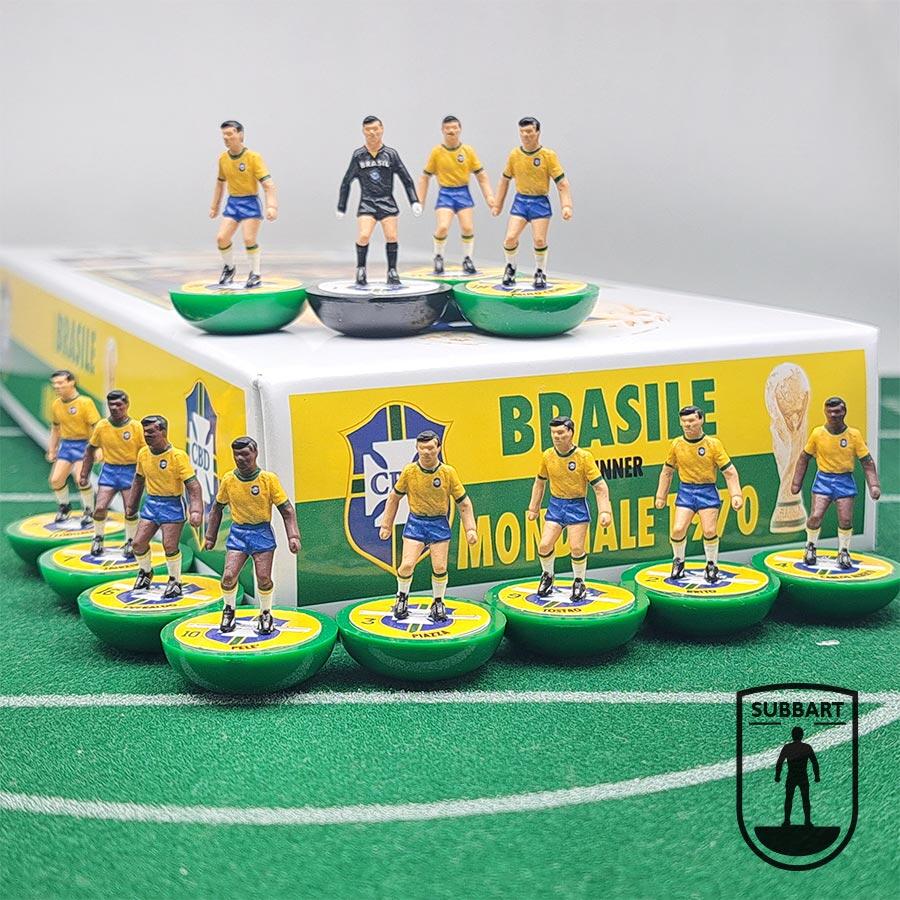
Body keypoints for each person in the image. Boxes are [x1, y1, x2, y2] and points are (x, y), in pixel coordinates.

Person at [204, 436, 301, 635]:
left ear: (255, 453)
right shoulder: (229, 480)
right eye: (236, 455)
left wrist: (293, 536)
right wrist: (210, 536)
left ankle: (265, 613)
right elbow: (216, 508)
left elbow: (287, 509)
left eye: (245, 454)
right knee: (228, 576)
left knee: (263, 578)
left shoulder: (268, 479)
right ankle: (229, 610)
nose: (240, 459)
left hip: (261, 533)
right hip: (238, 534)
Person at [378, 430, 477, 622]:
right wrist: (386, 525)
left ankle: (438, 601)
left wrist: (470, 529)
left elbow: (464, 503)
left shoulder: (448, 473)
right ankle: (401, 597)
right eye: (422, 448)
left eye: (430, 448)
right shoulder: (410, 472)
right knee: (407, 564)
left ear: (438, 448)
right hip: (416, 523)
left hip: (438, 523)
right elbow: (393, 498)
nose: (426, 452)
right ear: (416, 448)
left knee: (440, 566)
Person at [526, 416, 612, 600]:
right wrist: (534, 507)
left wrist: (605, 511)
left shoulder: (583, 457)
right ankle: (548, 575)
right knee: (544, 545)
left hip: (576, 506)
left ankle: (579, 580)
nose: (556, 437)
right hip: (556, 505)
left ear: (571, 433)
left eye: (561, 432)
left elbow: (600, 486)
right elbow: (539, 483)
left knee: (576, 548)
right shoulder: (548, 456)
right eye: (553, 433)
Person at [654, 406, 743, 582]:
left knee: (709, 530)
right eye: (684, 421)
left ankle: (712, 564)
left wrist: (736, 494)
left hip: (707, 491)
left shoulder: (713, 444)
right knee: (678, 529)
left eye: (691, 420)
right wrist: (660, 496)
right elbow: (667, 471)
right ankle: (678, 561)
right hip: (686, 491)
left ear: (701, 420)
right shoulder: (677, 445)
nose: (687, 424)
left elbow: (729, 472)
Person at [791, 396, 881, 568]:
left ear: (844, 412)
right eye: (830, 412)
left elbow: (867, 461)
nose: (833, 415)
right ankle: (810, 545)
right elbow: (804, 457)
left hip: (844, 481)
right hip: (823, 480)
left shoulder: (854, 435)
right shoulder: (818, 433)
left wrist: (874, 485)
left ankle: (844, 551)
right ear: (825, 412)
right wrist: (796, 482)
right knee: (815, 516)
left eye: (837, 411)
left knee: (846, 520)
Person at [337, 116, 422, 286]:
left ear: (382, 129)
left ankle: (392, 270)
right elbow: (346, 181)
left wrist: (414, 201)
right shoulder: (358, 155)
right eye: (368, 130)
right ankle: (361, 269)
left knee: (391, 236)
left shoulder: (391, 154)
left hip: (387, 202)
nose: (372, 133)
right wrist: (341, 206)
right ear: (363, 131)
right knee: (363, 235)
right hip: (367, 203)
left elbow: (406, 179)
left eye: (375, 129)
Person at [491, 117, 572, 289]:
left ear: (538, 132)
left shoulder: (548, 156)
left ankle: (540, 271)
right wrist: (498, 204)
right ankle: (511, 267)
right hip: (520, 201)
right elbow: (504, 180)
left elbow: (562, 183)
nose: (525, 135)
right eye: (522, 132)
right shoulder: (514, 155)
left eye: (529, 131)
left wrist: (566, 205)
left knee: (539, 240)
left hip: (539, 202)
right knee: (510, 238)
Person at [125, 415, 202, 598]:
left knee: (169, 545)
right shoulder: (143, 454)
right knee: (138, 543)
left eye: (151, 432)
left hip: (171, 505)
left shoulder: (177, 456)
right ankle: (145, 572)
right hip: (152, 504)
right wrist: (132, 504)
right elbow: (138, 480)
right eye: (145, 432)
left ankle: (175, 581)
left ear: (163, 432)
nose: (147, 436)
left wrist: (196, 510)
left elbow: (193, 485)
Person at [417, 115, 495, 275]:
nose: (451, 131)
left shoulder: (468, 151)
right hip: (446, 193)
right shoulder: (437, 152)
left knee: (467, 227)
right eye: (447, 128)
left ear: (460, 129)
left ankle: (467, 258)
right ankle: (438, 256)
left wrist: (489, 196)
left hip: (463, 192)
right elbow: (425, 177)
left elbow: (481, 175)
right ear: (442, 130)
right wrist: (420, 200)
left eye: (454, 127)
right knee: (442, 227)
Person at [210, 120, 278, 289]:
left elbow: (268, 184)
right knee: (222, 238)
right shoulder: (223, 158)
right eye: (224, 135)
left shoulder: (253, 158)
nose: (226, 138)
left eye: (230, 134)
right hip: (233, 203)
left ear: (240, 135)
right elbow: (220, 183)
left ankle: (255, 274)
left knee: (249, 239)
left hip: (250, 202)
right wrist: (214, 206)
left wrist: (272, 206)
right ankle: (229, 268)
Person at [79, 389, 145, 558]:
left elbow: (145, 453)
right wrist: (84, 474)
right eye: (111, 405)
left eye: (118, 404)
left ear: (127, 405)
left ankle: (130, 540)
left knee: (130, 510)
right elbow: (90, 449)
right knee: (100, 507)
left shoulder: (136, 427)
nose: (115, 408)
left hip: (130, 472)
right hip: (110, 471)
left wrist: (146, 475)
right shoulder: (102, 426)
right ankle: (98, 538)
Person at [46, 370, 100, 527]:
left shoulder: (85, 402)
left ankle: (89, 510)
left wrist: (98, 448)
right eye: (54, 384)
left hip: (84, 445)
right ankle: (64, 506)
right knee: (56, 480)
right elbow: (55, 428)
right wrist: (52, 449)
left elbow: (97, 427)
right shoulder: (56, 404)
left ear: (71, 382)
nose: (57, 386)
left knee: (80, 479)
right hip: (67, 445)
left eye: (60, 383)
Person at [775, 726, 820, 827]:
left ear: (792, 736)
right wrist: (816, 776)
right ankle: (807, 821)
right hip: (802, 776)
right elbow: (814, 762)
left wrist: (777, 775)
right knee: (805, 799)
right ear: (802, 735)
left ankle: (787, 821)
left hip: (791, 776)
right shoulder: (807, 747)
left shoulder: (787, 748)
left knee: (789, 799)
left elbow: (779, 763)